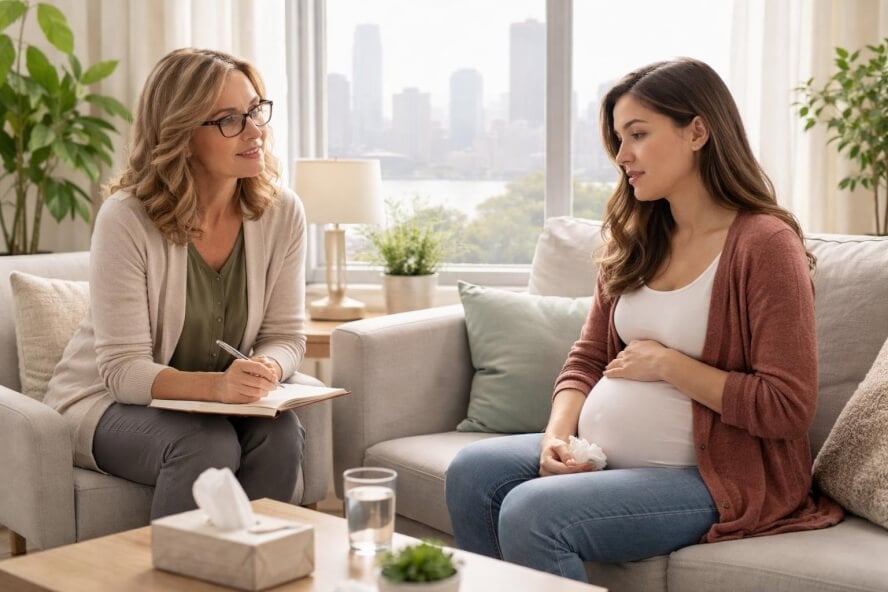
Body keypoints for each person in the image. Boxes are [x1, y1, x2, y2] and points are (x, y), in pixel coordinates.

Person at [445, 58, 844, 582]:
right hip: (604, 450)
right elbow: (587, 358)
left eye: (637, 134)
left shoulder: (764, 245)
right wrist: (555, 436)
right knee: (471, 473)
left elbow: (787, 408)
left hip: (717, 473)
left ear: (697, 131)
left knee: (534, 512)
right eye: (617, 139)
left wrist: (670, 365)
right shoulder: (635, 236)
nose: (621, 155)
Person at [44, 48, 310, 520]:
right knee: (202, 443)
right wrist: (220, 389)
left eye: (255, 111)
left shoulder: (282, 211)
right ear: (182, 135)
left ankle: (255, 574)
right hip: (105, 403)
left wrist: (268, 364)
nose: (255, 132)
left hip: (211, 404)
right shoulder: (126, 218)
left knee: (282, 434)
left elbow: (287, 335)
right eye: (229, 119)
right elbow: (124, 371)